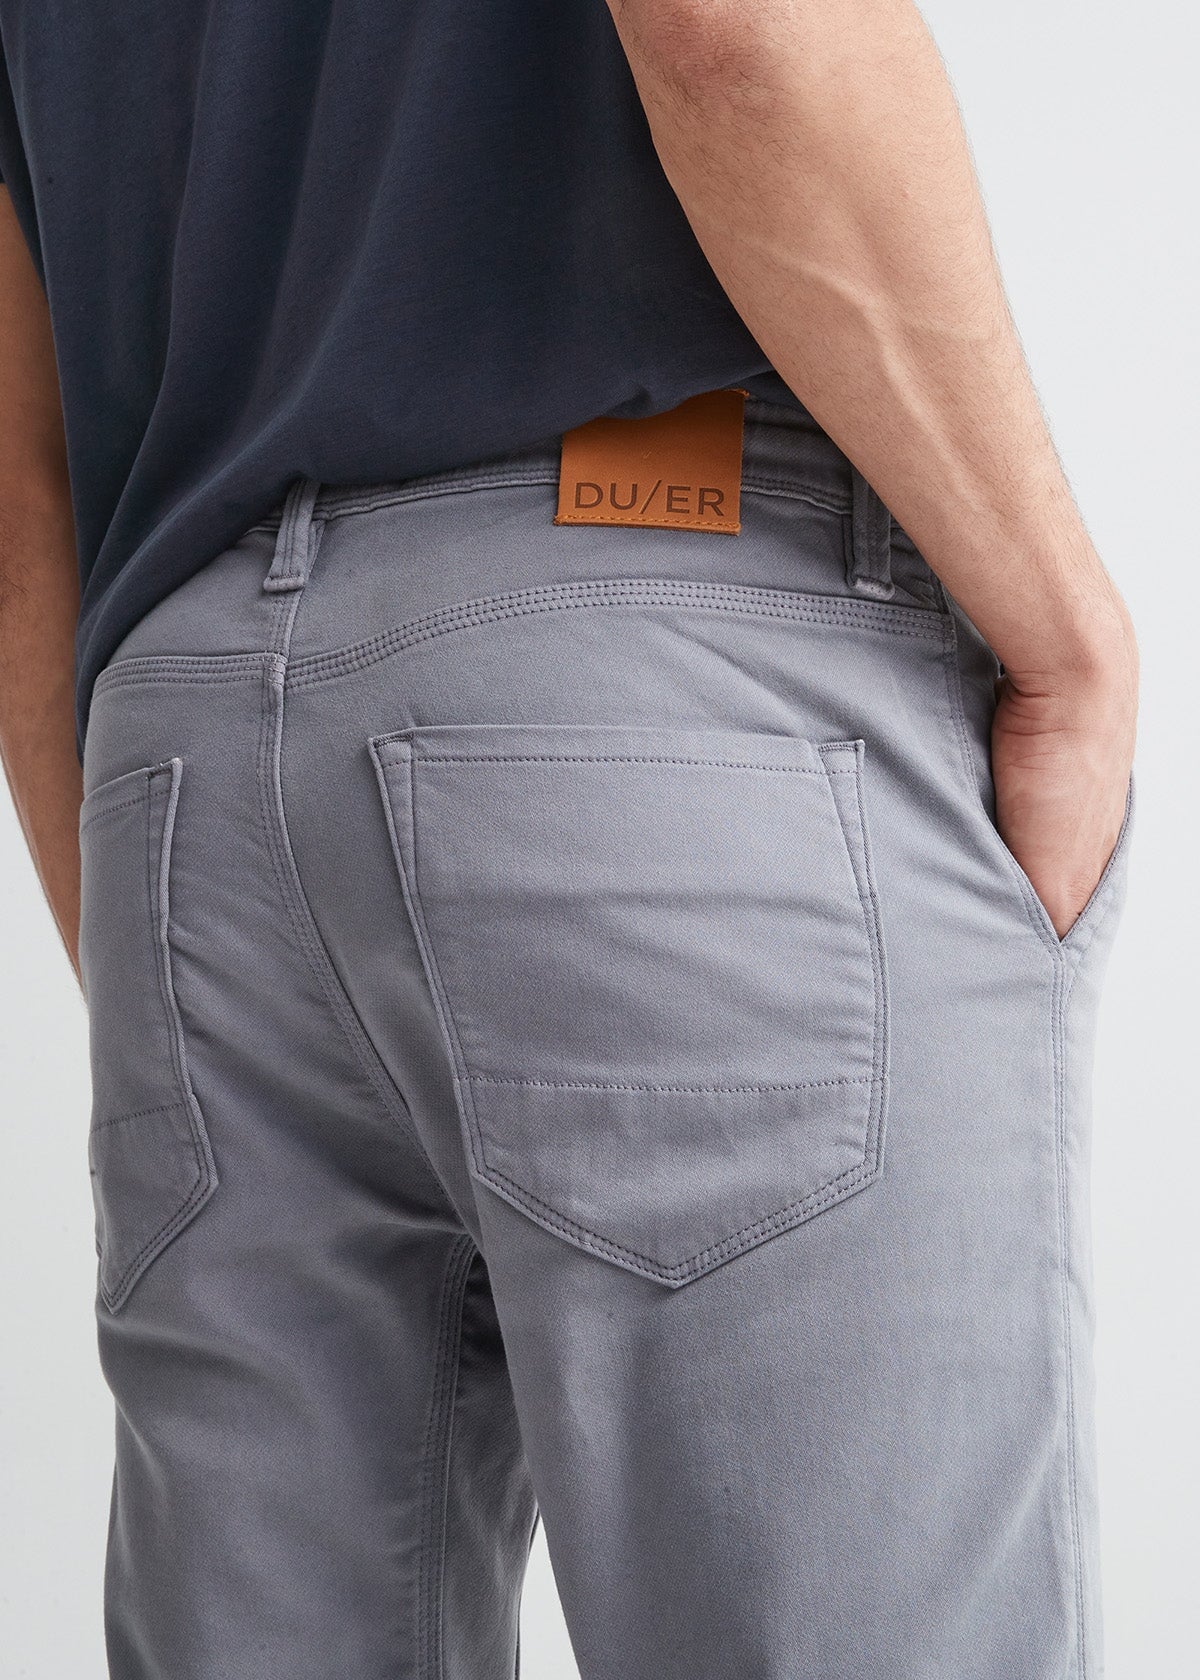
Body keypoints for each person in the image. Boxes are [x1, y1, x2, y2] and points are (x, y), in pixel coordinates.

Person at [0, 2, 1137, 1676]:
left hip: (184, 737)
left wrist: (150, 912)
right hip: (661, 680)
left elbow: (19, 470)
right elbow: (735, 31)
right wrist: (1071, 646)